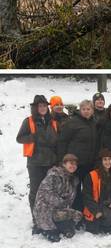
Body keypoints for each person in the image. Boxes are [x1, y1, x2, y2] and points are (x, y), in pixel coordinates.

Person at [16, 95, 59, 230]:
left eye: (45, 106)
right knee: (35, 192)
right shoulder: (28, 121)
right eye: (40, 106)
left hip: (51, 162)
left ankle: (48, 217)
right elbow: (19, 138)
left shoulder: (53, 121)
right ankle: (37, 220)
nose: (43, 108)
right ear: (35, 108)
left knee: (50, 192)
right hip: (35, 162)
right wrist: (32, 137)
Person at [56, 99, 98, 211]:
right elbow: (62, 141)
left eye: (88, 109)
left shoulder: (94, 122)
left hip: (90, 163)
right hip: (75, 164)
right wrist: (62, 160)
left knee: (88, 189)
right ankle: (76, 212)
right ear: (80, 110)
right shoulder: (72, 122)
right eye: (84, 109)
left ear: (92, 110)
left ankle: (87, 212)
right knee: (75, 189)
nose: (86, 111)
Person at [33, 154, 83, 242]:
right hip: (45, 210)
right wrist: (63, 205)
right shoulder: (54, 175)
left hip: (59, 210)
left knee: (76, 217)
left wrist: (68, 210)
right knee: (55, 237)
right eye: (70, 163)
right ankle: (44, 228)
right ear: (64, 164)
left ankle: (59, 226)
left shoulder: (73, 179)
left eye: (75, 164)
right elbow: (46, 195)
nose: (73, 166)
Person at [83, 148, 111, 234]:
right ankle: (102, 225)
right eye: (105, 159)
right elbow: (86, 196)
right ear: (100, 161)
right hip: (98, 204)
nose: (108, 162)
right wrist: (96, 210)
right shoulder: (91, 175)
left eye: (109, 159)